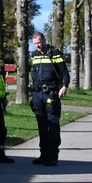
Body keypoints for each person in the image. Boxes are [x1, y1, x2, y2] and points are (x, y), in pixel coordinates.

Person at [29, 31, 70, 167]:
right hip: (37, 93)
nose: (37, 46)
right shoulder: (34, 55)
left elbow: (64, 72)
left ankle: (53, 156)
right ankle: (43, 154)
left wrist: (64, 86)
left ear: (45, 40)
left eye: (39, 42)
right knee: (41, 125)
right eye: (35, 44)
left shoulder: (54, 53)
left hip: (51, 93)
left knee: (52, 124)